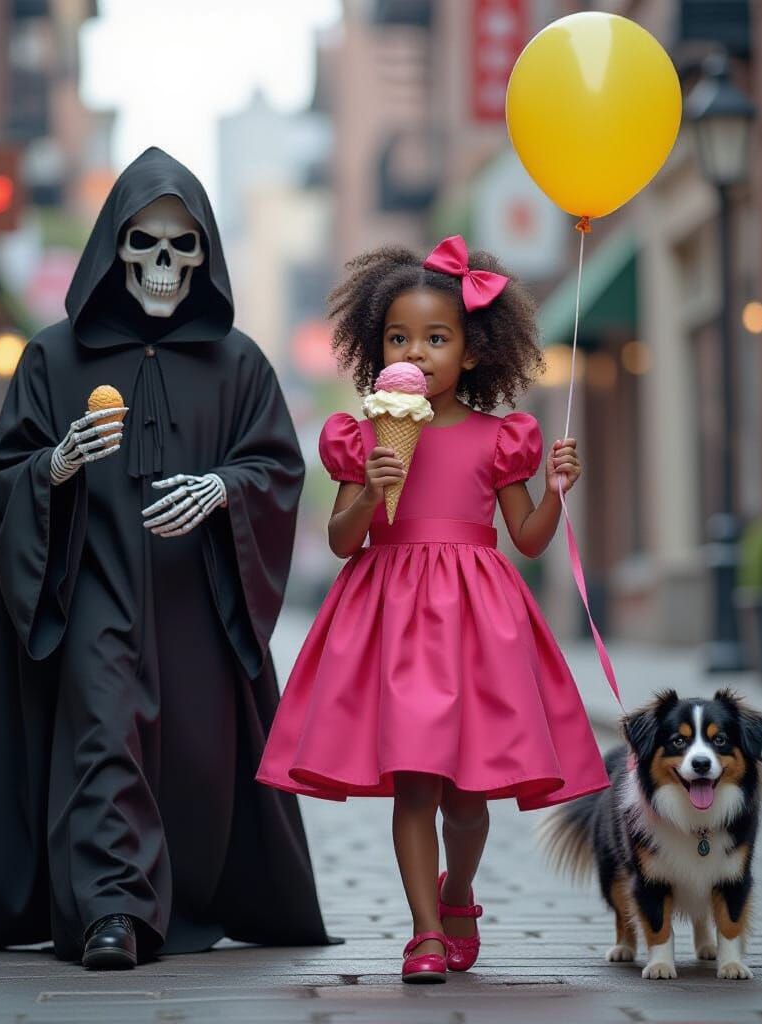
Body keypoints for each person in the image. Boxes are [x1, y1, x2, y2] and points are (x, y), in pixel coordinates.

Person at [0, 147, 330, 969]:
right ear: (114, 248)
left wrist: (224, 488)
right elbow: (4, 476)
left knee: (197, 761)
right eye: (145, 243)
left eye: (182, 245)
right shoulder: (53, 357)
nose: (163, 265)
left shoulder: (239, 362)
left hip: (196, 598)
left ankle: (180, 895)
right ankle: (111, 913)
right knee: (100, 732)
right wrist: (56, 465)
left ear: (203, 255)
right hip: (94, 586)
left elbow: (277, 468)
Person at [257, 235, 610, 983]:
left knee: (467, 794)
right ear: (374, 348)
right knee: (415, 778)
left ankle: (457, 892)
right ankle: (423, 933)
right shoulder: (361, 437)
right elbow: (344, 540)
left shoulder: (500, 437)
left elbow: (529, 540)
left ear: (475, 352)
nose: (416, 350)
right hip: (392, 616)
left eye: (437, 337)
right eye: (399, 336)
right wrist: (368, 485)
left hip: (478, 620)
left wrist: (556, 489)